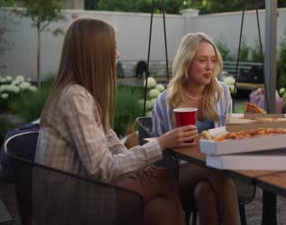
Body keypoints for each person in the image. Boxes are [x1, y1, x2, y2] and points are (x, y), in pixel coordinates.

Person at [36, 18, 197, 225]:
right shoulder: (75, 97)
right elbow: (103, 169)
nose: (118, 54)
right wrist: (162, 142)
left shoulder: (84, 95)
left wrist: (140, 166)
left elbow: (113, 145)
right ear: (95, 54)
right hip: (69, 207)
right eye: (113, 48)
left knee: (160, 206)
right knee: (164, 180)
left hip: (83, 190)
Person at [152, 32, 240, 225]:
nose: (210, 67)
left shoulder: (222, 92)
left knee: (204, 192)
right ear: (187, 62)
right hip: (178, 175)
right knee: (216, 169)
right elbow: (158, 156)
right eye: (202, 60)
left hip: (212, 170)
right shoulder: (166, 101)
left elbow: (227, 135)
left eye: (213, 60)